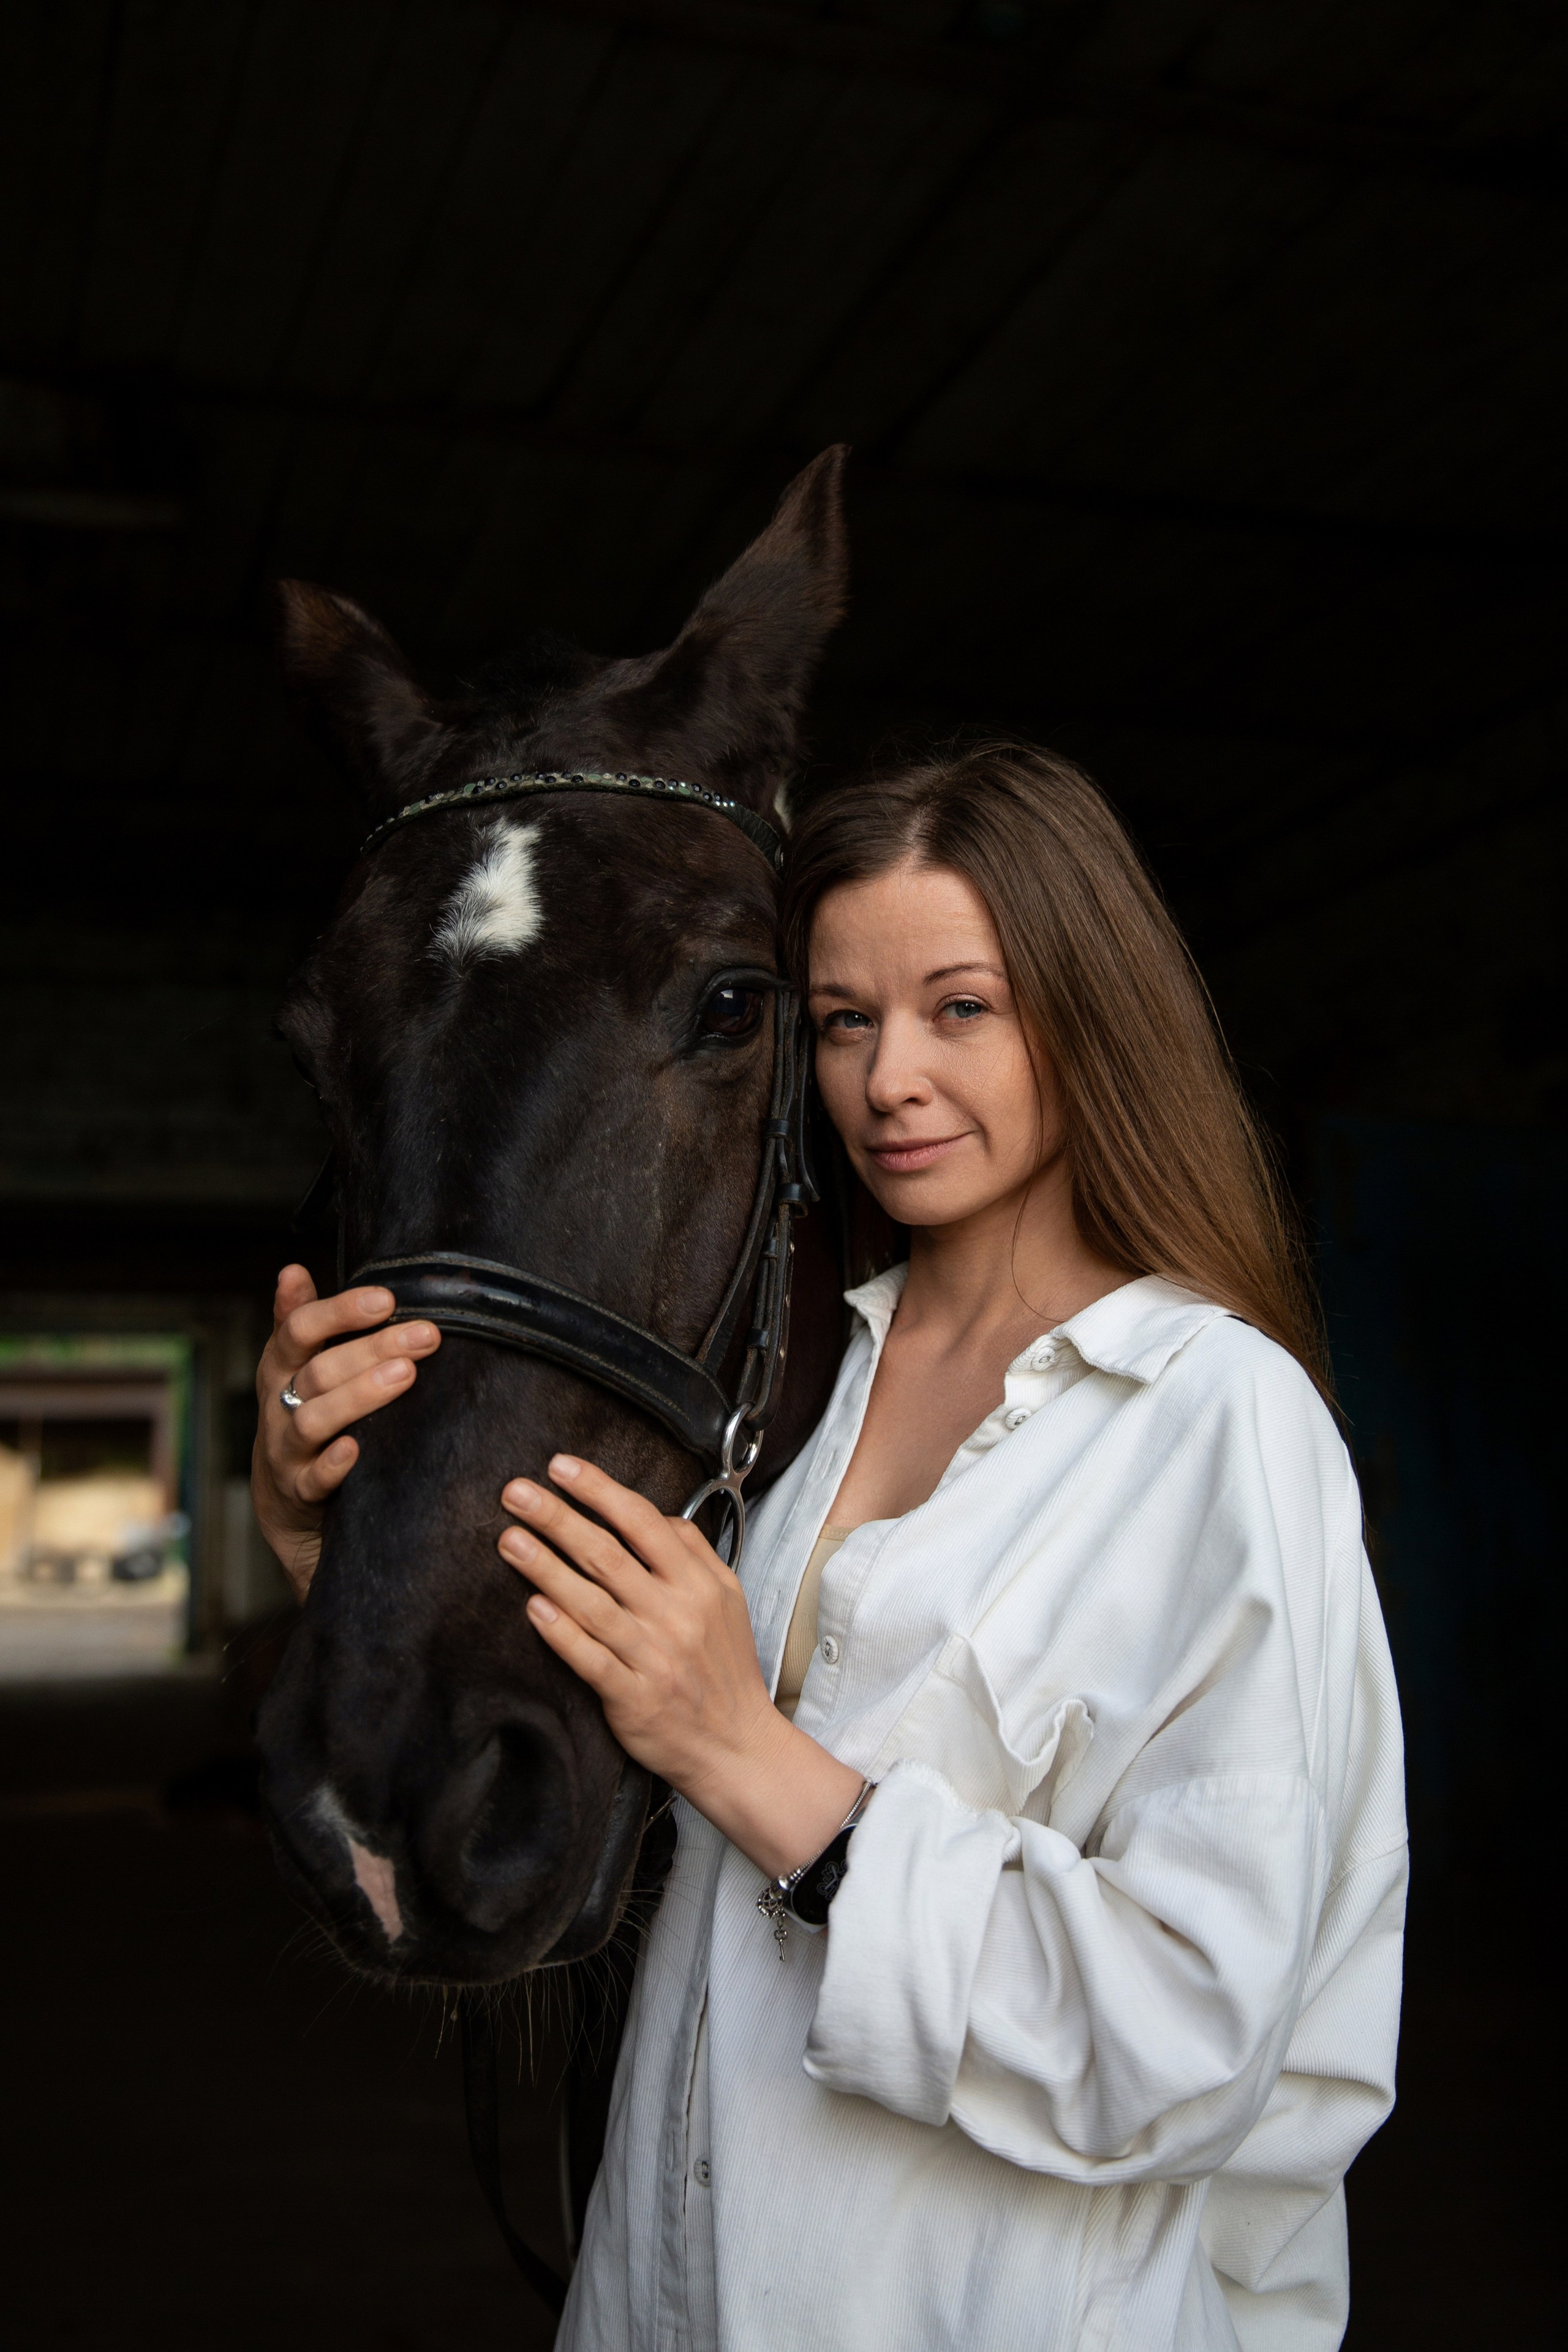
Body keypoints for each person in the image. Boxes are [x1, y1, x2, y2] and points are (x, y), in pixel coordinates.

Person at [254, 744, 1405, 2351]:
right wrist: (316, 1535)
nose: (890, 1080)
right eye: (846, 1021)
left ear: (1093, 1012)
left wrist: (751, 1758)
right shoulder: (800, 1384)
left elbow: (1191, 2040)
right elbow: (556, 1779)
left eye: (963, 1008)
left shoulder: (1216, 1422)